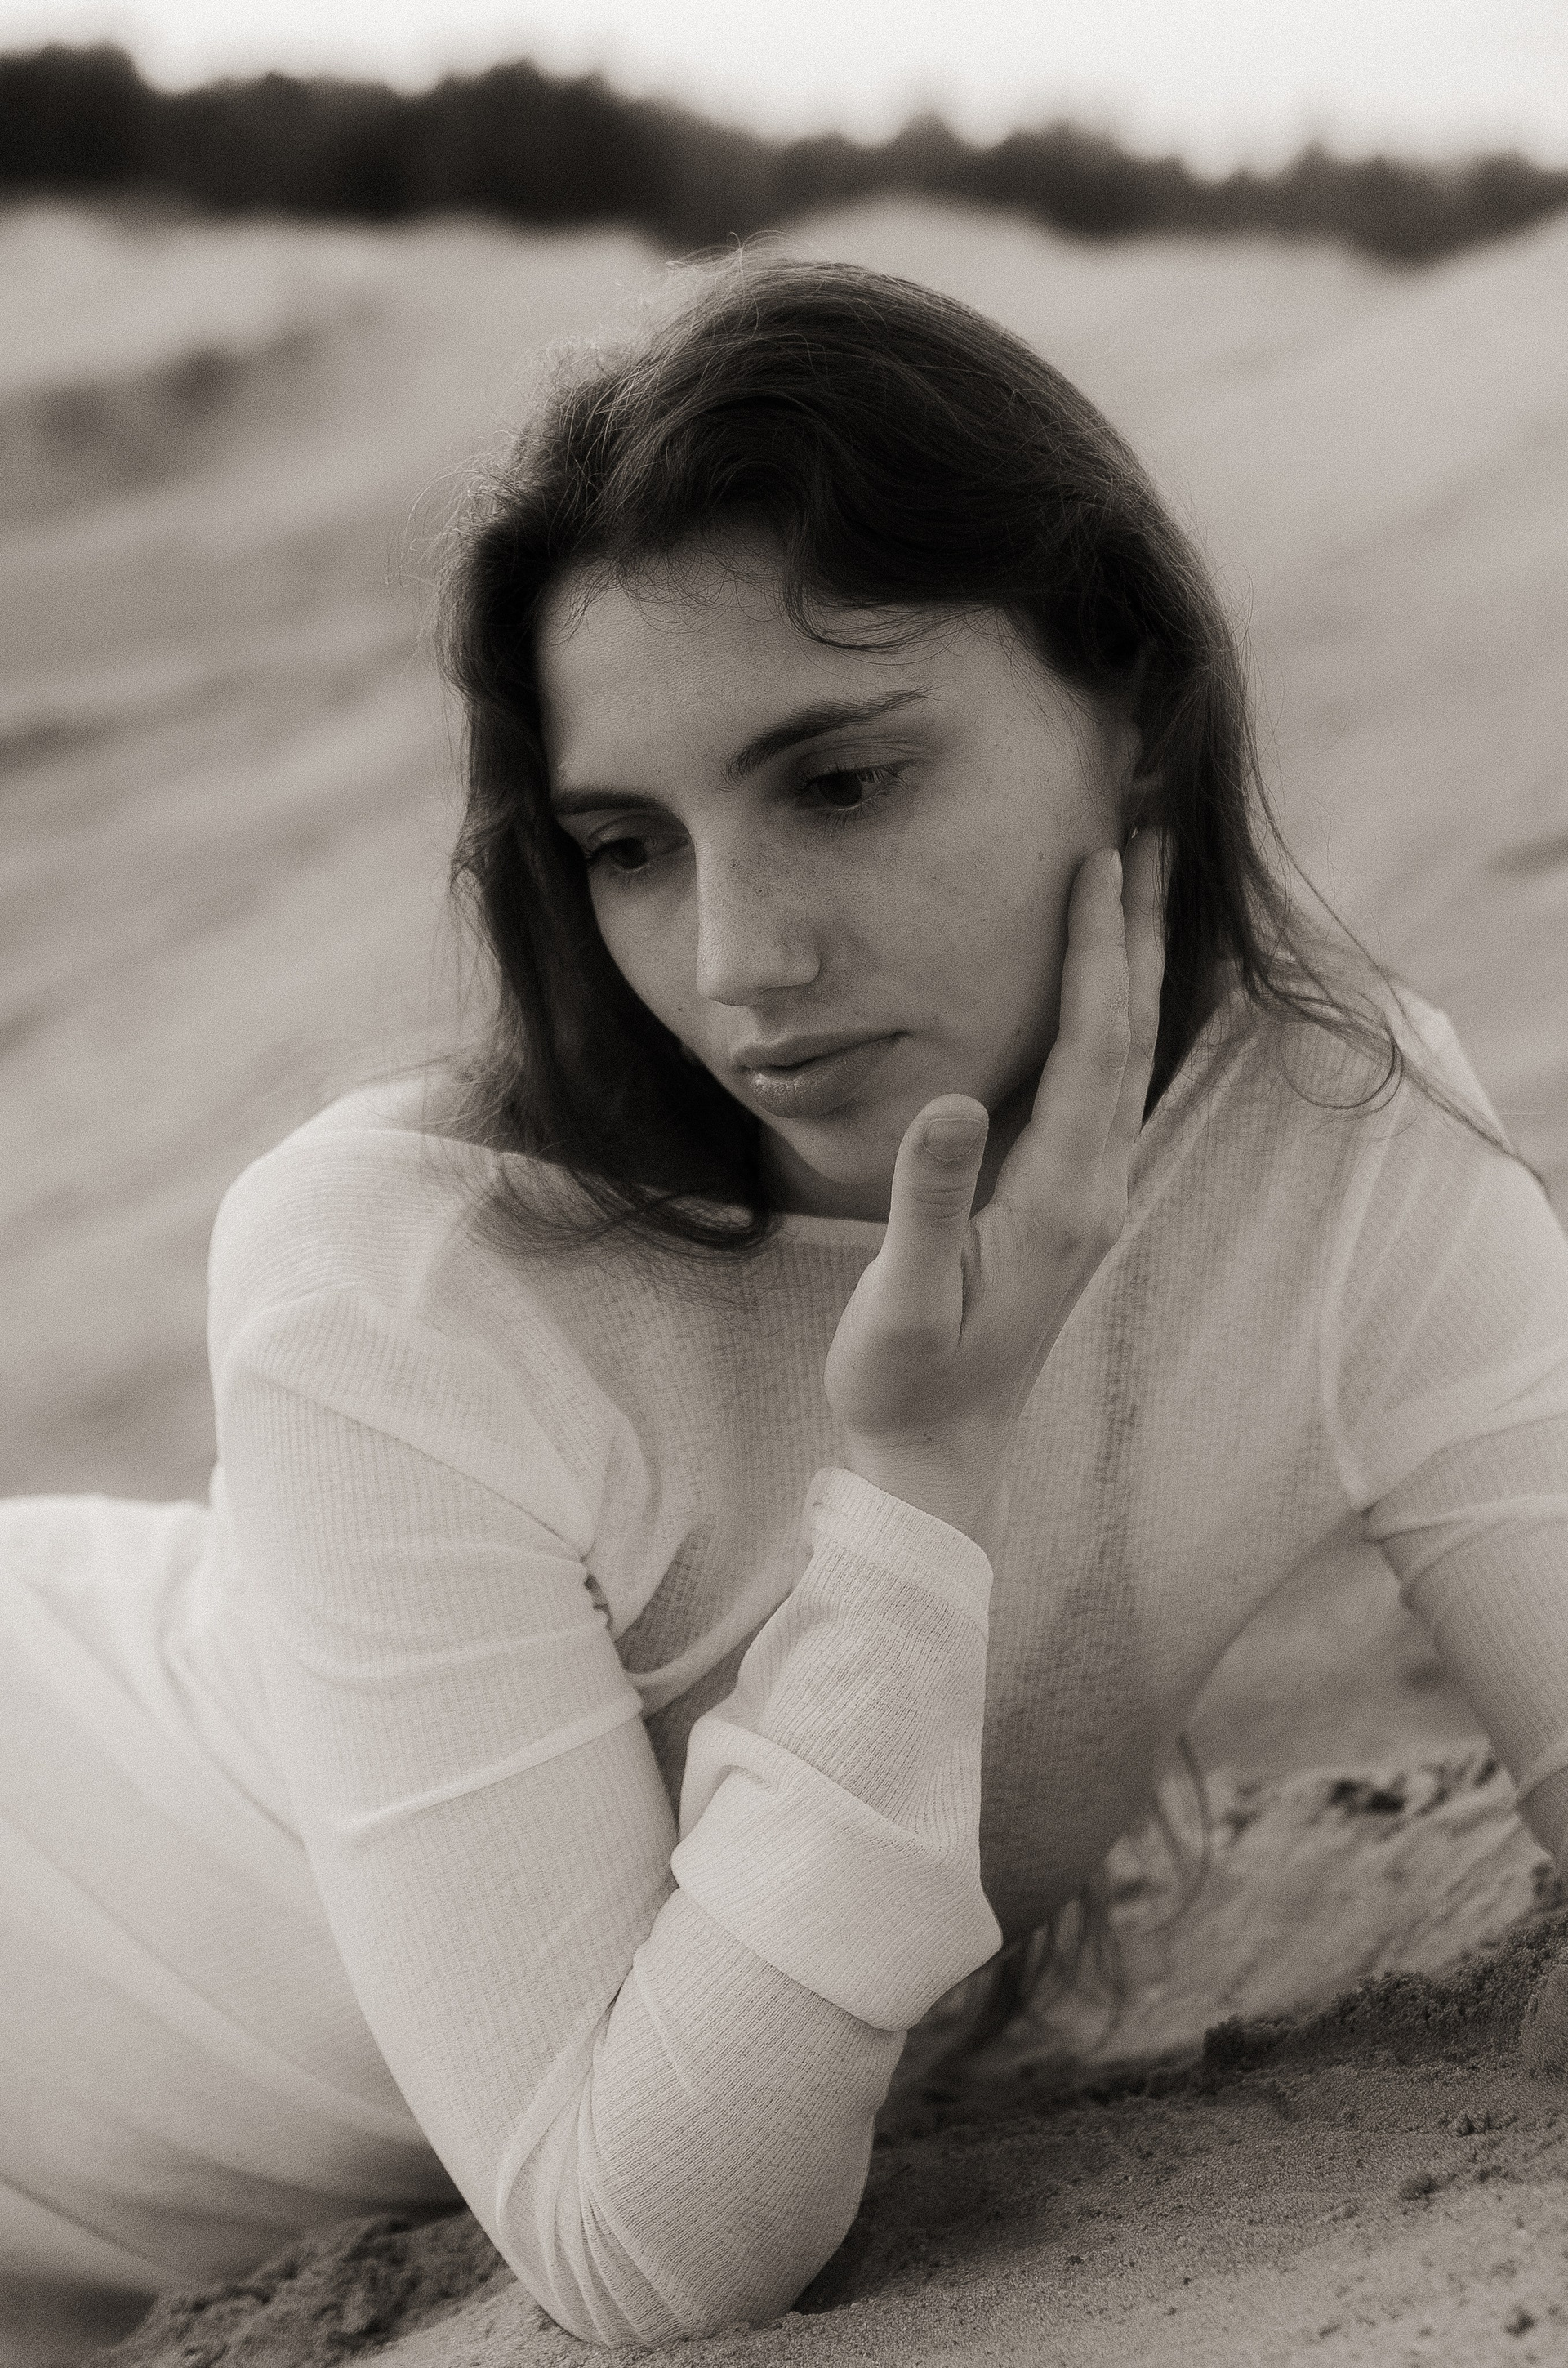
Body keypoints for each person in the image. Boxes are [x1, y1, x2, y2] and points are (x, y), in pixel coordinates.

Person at [4, 252, 1567, 2364]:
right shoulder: (404, 1265)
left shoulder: (1338, 1147)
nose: (739, 960)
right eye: (627, 845)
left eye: (839, 783)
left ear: (1133, 723)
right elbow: (641, 2251)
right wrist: (925, 1473)